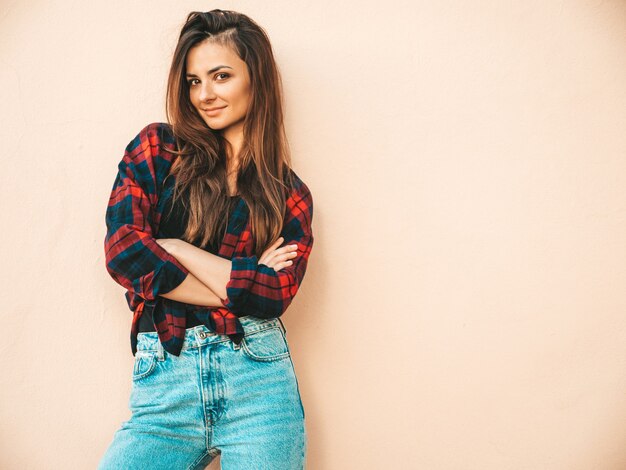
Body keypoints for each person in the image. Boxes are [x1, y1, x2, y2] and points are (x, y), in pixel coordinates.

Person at [98, 9, 314, 470]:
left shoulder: (288, 194)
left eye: (220, 76)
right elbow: (125, 252)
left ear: (256, 80)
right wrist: (242, 283)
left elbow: (276, 294)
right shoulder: (157, 151)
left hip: (259, 385)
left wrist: (174, 248)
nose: (205, 94)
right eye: (194, 81)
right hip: (165, 387)